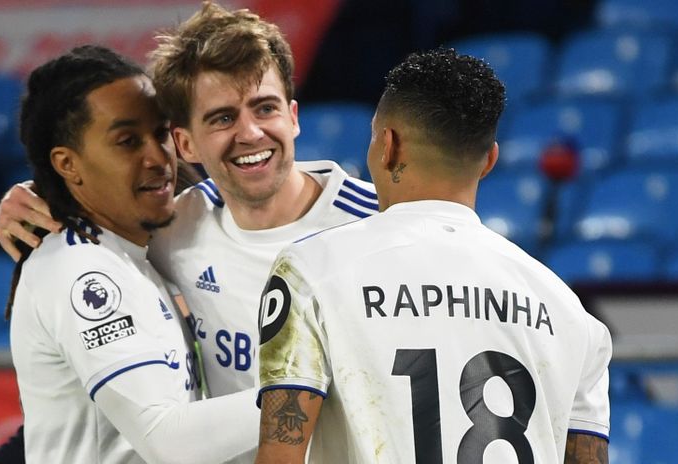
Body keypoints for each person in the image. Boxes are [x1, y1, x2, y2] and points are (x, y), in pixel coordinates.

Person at [0, 0, 377, 405]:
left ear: (293, 116)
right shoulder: (178, 228)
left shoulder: (379, 226)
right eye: (223, 118)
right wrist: (34, 197)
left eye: (265, 108)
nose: (250, 133)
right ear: (185, 143)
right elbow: (98, 216)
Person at [254, 48, 612, 463]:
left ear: (387, 146)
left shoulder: (311, 271)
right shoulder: (570, 314)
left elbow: (281, 454)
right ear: (489, 161)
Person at [7, 44, 256, 463]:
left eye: (160, 134)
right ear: (68, 164)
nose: (158, 157)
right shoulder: (81, 270)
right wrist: (307, 389)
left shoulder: (134, 251)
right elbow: (167, 440)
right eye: (127, 142)